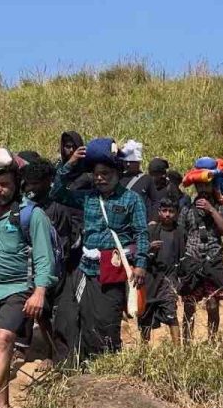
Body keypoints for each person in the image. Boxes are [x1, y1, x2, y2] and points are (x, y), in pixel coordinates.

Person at [0, 148, 56, 408]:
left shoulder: (33, 215)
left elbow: (45, 257)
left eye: (5, 184)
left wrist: (39, 292)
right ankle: (4, 406)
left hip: (19, 288)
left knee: (2, 338)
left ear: (17, 184)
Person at [50, 138, 149, 363]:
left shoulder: (131, 200)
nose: (100, 178)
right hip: (86, 269)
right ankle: (79, 364)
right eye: (96, 174)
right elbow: (57, 193)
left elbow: (142, 233)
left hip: (112, 271)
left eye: (105, 173)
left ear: (117, 173)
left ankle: (107, 364)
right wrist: (71, 163)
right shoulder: (89, 198)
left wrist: (141, 264)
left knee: (105, 321)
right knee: (74, 318)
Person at [19, 156, 75, 370]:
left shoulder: (57, 210)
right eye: (29, 183)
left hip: (55, 271)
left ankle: (57, 355)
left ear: (48, 182)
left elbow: (61, 246)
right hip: (30, 269)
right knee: (40, 315)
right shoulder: (25, 209)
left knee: (58, 315)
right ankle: (49, 351)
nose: (31, 187)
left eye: (36, 183)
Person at [179, 164, 223, 341]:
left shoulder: (220, 207)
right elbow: (181, 233)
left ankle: (212, 340)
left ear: (213, 185)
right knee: (189, 306)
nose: (203, 189)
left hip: (213, 259)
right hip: (192, 259)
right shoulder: (187, 207)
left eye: (206, 185)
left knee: (212, 304)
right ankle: (187, 343)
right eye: (199, 186)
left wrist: (211, 210)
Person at [139, 198, 185, 344]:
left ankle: (178, 352)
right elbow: (138, 254)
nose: (167, 214)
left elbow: (183, 257)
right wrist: (149, 248)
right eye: (164, 211)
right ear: (159, 212)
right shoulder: (150, 231)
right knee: (145, 317)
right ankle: (144, 352)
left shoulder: (180, 232)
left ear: (176, 213)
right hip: (151, 280)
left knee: (171, 315)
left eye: (171, 211)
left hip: (168, 281)